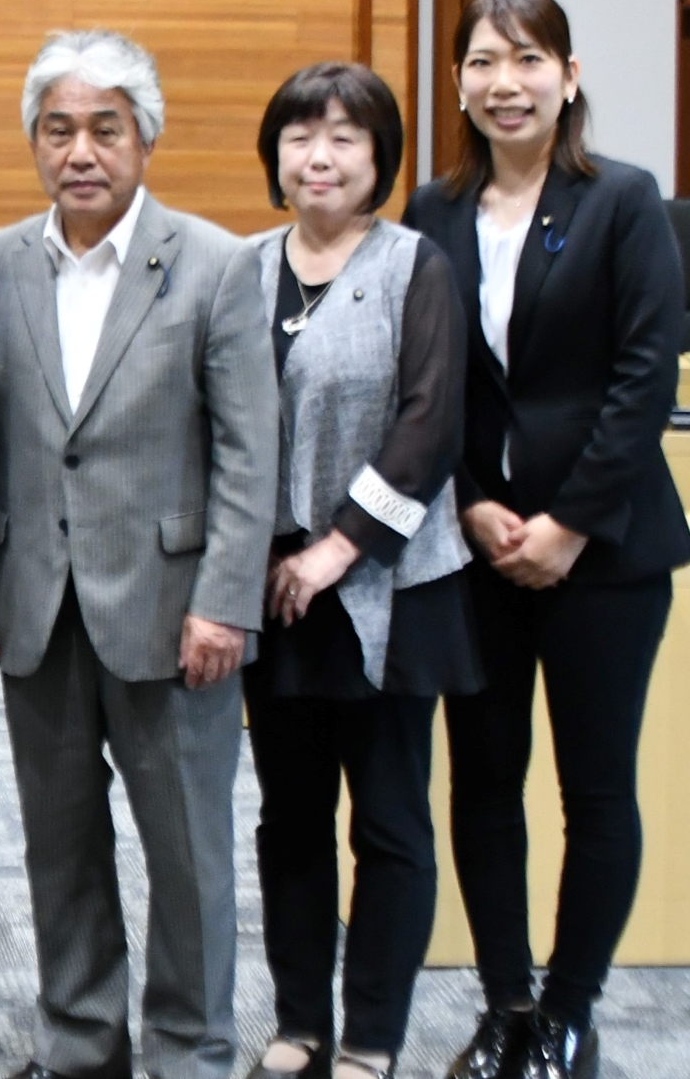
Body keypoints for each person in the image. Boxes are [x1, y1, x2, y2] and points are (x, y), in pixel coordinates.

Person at [0, 29, 279, 1079]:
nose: (78, 150)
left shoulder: (215, 264)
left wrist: (225, 599)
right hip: (36, 604)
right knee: (57, 844)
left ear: (144, 137)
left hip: (176, 611)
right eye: (57, 129)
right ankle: (81, 1038)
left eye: (103, 127)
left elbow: (245, 449)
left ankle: (187, 1048)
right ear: (32, 144)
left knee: (185, 854)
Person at [403, 0, 690, 1079]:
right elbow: (432, 379)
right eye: (480, 61)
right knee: (480, 780)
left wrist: (565, 522)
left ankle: (570, 1012)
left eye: (524, 59)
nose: (501, 82)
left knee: (593, 786)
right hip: (475, 547)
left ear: (565, 76)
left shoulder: (622, 199)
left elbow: (639, 377)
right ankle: (504, 1006)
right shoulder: (432, 212)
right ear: (460, 84)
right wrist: (473, 501)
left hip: (604, 552)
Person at [241, 63, 478, 1079]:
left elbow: (429, 423)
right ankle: (298, 1024)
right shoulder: (240, 265)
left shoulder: (412, 264)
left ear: (378, 155)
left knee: (385, 822)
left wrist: (338, 545)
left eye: (343, 135)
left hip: (386, 586)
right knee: (287, 819)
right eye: (299, 134)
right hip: (269, 590)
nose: (319, 155)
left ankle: (372, 1036)